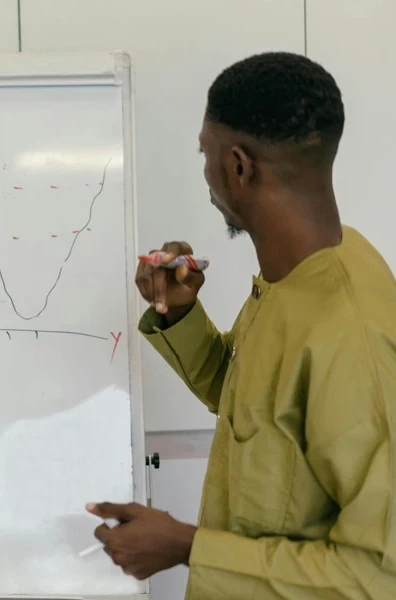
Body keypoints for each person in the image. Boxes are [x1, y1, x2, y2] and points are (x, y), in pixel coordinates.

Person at [85, 52, 396, 598]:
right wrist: (180, 315)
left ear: (238, 166)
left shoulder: (352, 335)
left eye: (204, 154)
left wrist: (187, 547)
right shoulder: (297, 277)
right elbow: (254, 405)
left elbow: (379, 575)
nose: (205, 172)